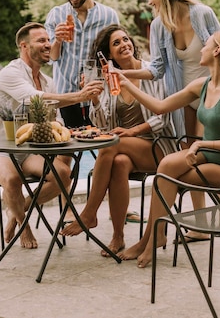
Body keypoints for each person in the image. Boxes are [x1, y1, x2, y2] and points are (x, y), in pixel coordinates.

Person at [121, 0, 220, 241]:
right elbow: (157, 69)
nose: (148, 0)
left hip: (214, 92)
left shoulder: (202, 14)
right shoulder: (158, 26)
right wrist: (124, 74)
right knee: (188, 152)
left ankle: (195, 223)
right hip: (187, 95)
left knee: (196, 156)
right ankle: (199, 225)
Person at [115, 31, 220, 268]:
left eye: (206, 45)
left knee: (167, 178)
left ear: (217, 51)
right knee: (166, 165)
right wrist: (127, 83)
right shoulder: (203, 85)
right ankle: (152, 237)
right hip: (209, 158)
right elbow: (159, 107)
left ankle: (151, 238)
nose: (201, 49)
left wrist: (200, 143)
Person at [0, 22, 104, 249]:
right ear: (24, 46)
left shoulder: (47, 81)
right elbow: (34, 98)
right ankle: (23, 226)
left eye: (48, 40)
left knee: (63, 174)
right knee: (12, 179)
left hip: (27, 151)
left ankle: (17, 210)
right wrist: (79, 96)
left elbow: (55, 121)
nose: (48, 45)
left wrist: (70, 129)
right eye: (41, 41)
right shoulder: (10, 73)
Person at [60, 25, 177, 256]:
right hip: (125, 149)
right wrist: (93, 100)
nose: (124, 44)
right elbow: (103, 126)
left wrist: (134, 132)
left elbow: (165, 116)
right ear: (109, 55)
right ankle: (118, 236)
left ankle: (89, 214)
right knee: (118, 162)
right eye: (116, 43)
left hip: (158, 146)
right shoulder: (108, 78)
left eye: (125, 39)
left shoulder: (152, 72)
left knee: (111, 144)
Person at [45, 0, 120, 128]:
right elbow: (52, 57)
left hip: (98, 94)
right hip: (66, 95)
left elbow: (114, 56)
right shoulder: (56, 15)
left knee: (105, 145)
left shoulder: (109, 16)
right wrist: (57, 40)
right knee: (66, 152)